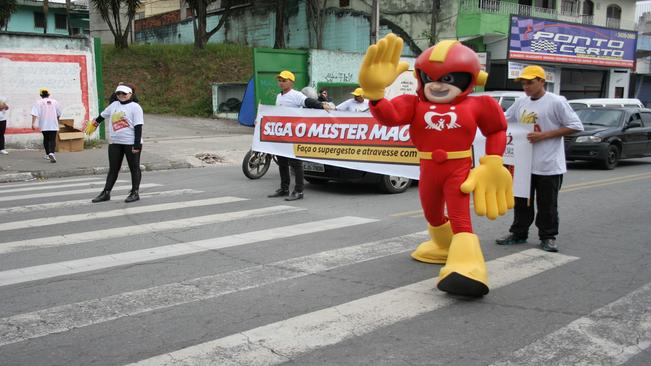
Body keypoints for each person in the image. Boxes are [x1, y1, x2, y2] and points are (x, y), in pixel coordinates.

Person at [359, 34, 513, 297]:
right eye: (430, 78)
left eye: (449, 78)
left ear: (471, 79)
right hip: (428, 167)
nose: (438, 85)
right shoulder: (414, 104)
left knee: (459, 216)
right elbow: (389, 116)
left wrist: (494, 160)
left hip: (459, 168)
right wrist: (375, 94)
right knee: (431, 213)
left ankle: (468, 267)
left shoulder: (478, 104)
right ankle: (445, 246)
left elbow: (497, 130)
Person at [495, 65, 583, 253]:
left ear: (542, 82)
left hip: (548, 164)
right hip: (524, 163)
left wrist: (544, 135)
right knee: (521, 202)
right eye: (523, 83)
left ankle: (548, 236)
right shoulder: (521, 102)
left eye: (530, 82)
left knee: (547, 204)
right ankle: (519, 233)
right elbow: (504, 121)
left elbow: (576, 125)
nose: (526, 86)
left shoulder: (556, 102)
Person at [268, 70, 331, 201]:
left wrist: (321, 105)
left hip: (294, 134)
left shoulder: (295, 95)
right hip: (282, 134)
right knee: (282, 162)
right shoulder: (279, 96)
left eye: (284, 80)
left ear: (291, 82)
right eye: (279, 80)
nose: (281, 83)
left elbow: (308, 101)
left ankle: (299, 191)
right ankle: (284, 188)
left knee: (296, 163)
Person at [90, 84, 144, 203]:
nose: (121, 96)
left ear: (130, 94)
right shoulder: (114, 105)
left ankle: (135, 192)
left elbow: (138, 126)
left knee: (134, 168)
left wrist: (136, 144)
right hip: (115, 142)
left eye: (124, 93)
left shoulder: (135, 107)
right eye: (119, 93)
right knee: (113, 169)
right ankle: (106, 193)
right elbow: (102, 116)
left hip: (131, 143)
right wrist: (93, 125)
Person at [31, 88, 62, 163]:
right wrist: (57, 121)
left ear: (41, 95)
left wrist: (33, 123)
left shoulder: (38, 102)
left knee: (46, 138)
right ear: (49, 94)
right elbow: (59, 114)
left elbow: (34, 113)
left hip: (43, 124)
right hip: (53, 123)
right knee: (52, 139)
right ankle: (52, 153)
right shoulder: (55, 102)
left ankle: (48, 154)